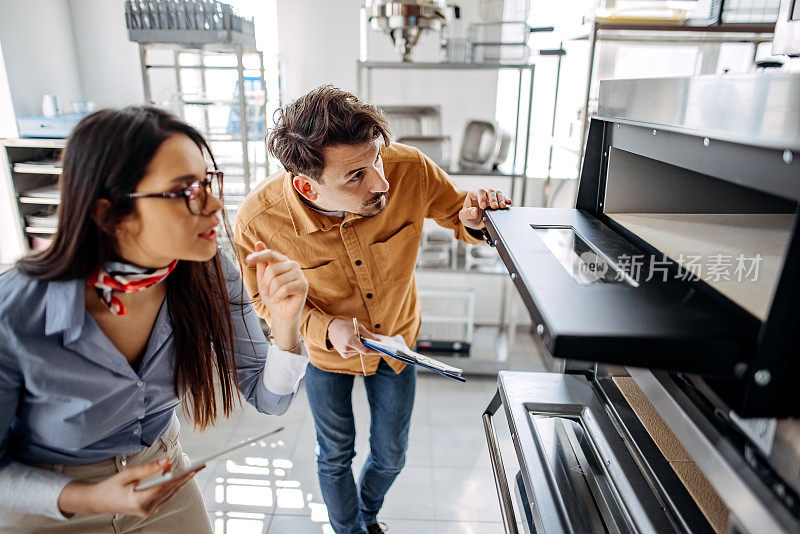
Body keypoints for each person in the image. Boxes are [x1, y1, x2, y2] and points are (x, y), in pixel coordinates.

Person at [0, 106, 310, 533]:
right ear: (109, 214)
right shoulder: (15, 310)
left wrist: (287, 323)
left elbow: (268, 397)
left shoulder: (211, 269)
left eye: (207, 182)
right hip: (51, 503)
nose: (215, 204)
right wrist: (91, 496)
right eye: (184, 191)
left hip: (163, 482)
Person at [234, 85, 511, 534]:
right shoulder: (259, 222)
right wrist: (324, 328)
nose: (381, 182)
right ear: (307, 185)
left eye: (377, 159)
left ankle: (364, 516)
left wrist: (476, 217)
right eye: (356, 176)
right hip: (327, 357)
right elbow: (265, 301)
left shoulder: (409, 169)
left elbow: (457, 213)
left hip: (397, 343)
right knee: (335, 454)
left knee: (391, 454)